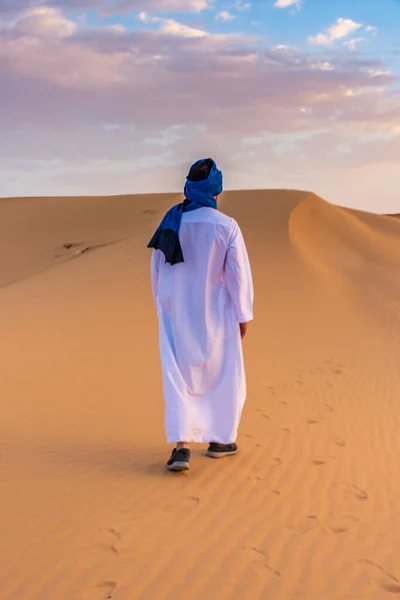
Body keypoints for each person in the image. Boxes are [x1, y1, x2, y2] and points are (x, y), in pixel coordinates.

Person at [148, 158, 254, 471]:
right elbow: (238, 275)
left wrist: (163, 305)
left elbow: (157, 268)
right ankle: (221, 440)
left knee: (178, 376)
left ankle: (181, 447)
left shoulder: (171, 221)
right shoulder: (226, 225)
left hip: (175, 314)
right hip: (217, 316)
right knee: (223, 375)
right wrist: (242, 313)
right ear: (216, 188)